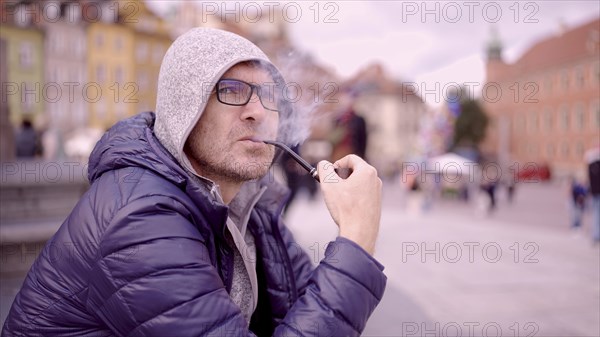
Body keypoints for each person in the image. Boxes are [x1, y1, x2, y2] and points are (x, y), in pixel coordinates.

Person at [2, 28, 386, 336]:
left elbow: (307, 304)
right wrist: (355, 240)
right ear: (186, 111)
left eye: (268, 95)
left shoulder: (252, 210)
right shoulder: (139, 219)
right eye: (231, 91)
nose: (257, 112)